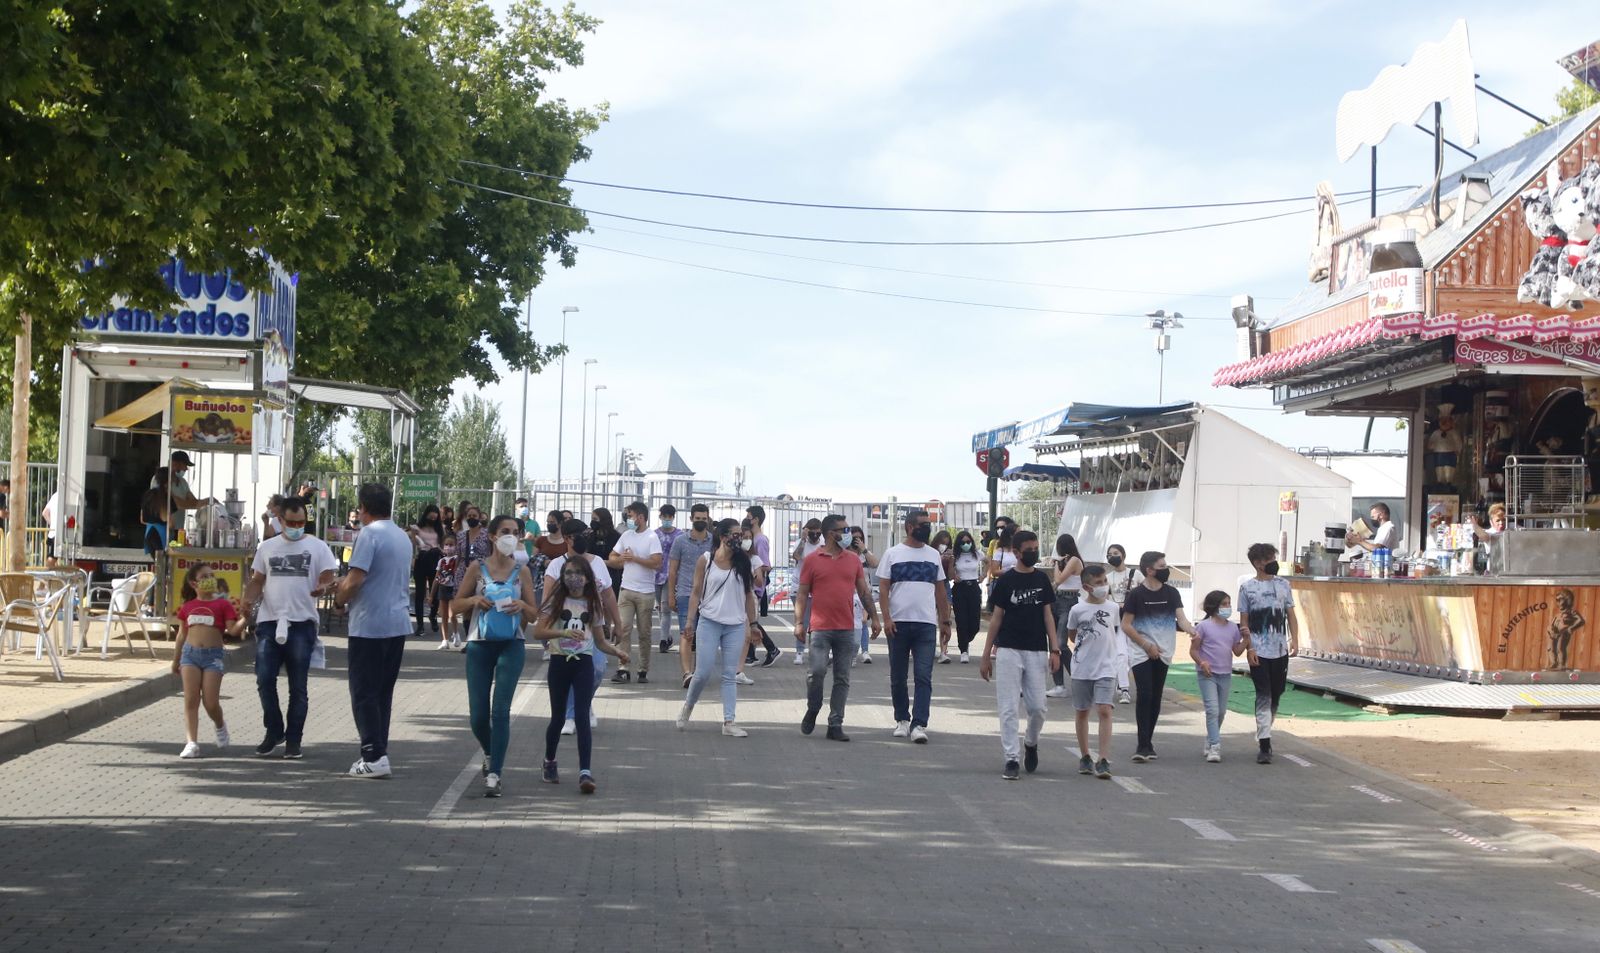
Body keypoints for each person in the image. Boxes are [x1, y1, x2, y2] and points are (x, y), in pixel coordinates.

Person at [241, 496, 336, 759]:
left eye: (301, 522)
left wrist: (324, 586)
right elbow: (257, 579)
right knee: (264, 678)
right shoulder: (268, 548)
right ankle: (274, 730)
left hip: (302, 623)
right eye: (291, 522)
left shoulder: (317, 547)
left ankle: (294, 739)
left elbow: (329, 575)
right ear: (279, 520)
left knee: (298, 686)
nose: (296, 526)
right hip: (270, 622)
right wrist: (247, 600)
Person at [452, 515, 540, 798]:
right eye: (505, 532)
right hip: (479, 644)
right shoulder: (477, 569)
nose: (510, 537)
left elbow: (535, 614)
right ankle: (490, 751)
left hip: (511, 646)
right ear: (491, 536)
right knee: (478, 716)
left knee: (500, 711)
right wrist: (474, 600)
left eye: (515, 533)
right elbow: (455, 605)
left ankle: (495, 773)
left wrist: (522, 604)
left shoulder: (522, 570)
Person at [334, 484, 414, 779]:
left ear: (364, 507)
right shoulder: (402, 536)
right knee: (382, 692)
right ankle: (379, 748)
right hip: (396, 622)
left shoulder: (369, 534)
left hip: (370, 624)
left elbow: (356, 579)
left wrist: (340, 600)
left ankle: (373, 754)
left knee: (364, 692)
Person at [534, 553, 629, 793]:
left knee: (582, 716)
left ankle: (585, 772)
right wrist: (562, 634)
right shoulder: (554, 602)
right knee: (557, 718)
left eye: (578, 574)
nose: (573, 578)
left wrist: (617, 652)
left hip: (583, 663)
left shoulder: (593, 604)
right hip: (559, 662)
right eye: (568, 574)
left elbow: (599, 641)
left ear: (587, 578)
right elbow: (539, 633)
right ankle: (549, 760)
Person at [978, 530, 1059, 780]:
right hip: (1009, 649)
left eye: (1036, 547)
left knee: (1038, 708)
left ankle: (1031, 743)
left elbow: (1048, 615)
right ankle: (1011, 758)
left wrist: (1055, 648)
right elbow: (996, 619)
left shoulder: (1042, 580)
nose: (1033, 552)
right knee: (1009, 707)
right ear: (1016, 552)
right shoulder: (1005, 582)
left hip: (1036, 650)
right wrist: (985, 654)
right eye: (1029, 549)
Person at [794, 515, 880, 742]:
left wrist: (875, 618)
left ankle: (835, 723)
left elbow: (863, 591)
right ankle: (813, 709)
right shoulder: (813, 560)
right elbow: (802, 594)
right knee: (817, 673)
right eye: (844, 530)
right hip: (820, 628)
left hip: (846, 628)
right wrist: (798, 623)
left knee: (842, 677)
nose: (848, 533)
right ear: (831, 533)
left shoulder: (852, 560)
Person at [678, 518, 763, 736]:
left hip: (734, 624)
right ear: (723, 537)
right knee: (703, 672)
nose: (740, 538)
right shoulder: (706, 560)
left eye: (741, 534)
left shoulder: (744, 562)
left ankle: (729, 722)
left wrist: (753, 624)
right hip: (709, 622)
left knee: (728, 675)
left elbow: (748, 595)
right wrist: (690, 621)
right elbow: (696, 592)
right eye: (735, 534)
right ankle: (688, 706)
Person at [877, 509, 952, 744]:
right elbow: (883, 589)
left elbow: (941, 591)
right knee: (898, 676)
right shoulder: (892, 554)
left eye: (928, 524)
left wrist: (945, 622)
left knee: (923, 676)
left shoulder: (933, 556)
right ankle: (902, 719)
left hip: (926, 625)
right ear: (910, 527)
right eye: (923, 524)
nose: (927, 528)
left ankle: (919, 723)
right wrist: (886, 618)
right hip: (898, 624)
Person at [545, 518, 623, 736]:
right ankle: (571, 716)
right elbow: (547, 601)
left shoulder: (597, 562)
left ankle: (584, 704)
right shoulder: (556, 565)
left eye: (585, 535)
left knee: (597, 670)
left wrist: (617, 622)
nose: (583, 540)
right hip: (565, 630)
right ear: (568, 539)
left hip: (593, 627)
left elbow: (608, 593)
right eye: (578, 536)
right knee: (572, 671)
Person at [1120, 551, 1198, 763]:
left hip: (1164, 652)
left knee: (1155, 696)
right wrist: (1146, 645)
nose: (1166, 569)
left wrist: (1192, 629)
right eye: (1162, 566)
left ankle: (1149, 742)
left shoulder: (1172, 593)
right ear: (1150, 570)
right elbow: (1125, 625)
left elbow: (1181, 619)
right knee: (1144, 694)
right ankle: (1142, 744)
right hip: (1141, 651)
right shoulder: (1136, 595)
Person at [172, 564, 246, 758]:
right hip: (190, 655)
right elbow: (181, 635)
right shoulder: (187, 607)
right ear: (193, 582)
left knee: (210, 702)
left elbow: (232, 631)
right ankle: (191, 743)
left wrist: (245, 619)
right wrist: (176, 659)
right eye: (205, 576)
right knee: (191, 699)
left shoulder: (223, 604)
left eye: (212, 575)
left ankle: (220, 725)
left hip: (213, 656)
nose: (210, 579)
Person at [1237, 543, 1298, 765]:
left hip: (1280, 648)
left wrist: (1295, 639)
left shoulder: (1284, 585)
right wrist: (1250, 647)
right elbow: (1244, 621)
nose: (1273, 562)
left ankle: (1264, 728)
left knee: (1277, 692)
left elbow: (1290, 614)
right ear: (1257, 563)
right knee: (1263, 693)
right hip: (1258, 650)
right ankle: (1265, 742)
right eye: (1268, 559)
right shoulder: (1246, 588)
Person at [1067, 565, 1119, 780]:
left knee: (1105, 709)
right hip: (1082, 667)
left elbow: (1113, 631)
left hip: (1106, 667)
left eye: (1104, 581)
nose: (1103, 586)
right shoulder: (1077, 610)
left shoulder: (1113, 608)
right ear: (1086, 587)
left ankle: (1104, 758)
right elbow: (1072, 636)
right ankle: (1085, 755)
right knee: (1082, 711)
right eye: (1098, 583)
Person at [608, 500, 663, 684]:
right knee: (623, 629)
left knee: (644, 633)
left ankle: (643, 669)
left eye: (630, 515)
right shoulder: (626, 536)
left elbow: (657, 562)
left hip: (646, 593)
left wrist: (636, 558)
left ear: (641, 517)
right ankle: (623, 668)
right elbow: (612, 557)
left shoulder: (651, 537)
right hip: (626, 589)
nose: (628, 519)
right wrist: (621, 558)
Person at [1191, 589, 1244, 763]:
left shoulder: (1232, 628)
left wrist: (1247, 640)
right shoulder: (1203, 626)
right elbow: (1194, 650)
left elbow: (1236, 651)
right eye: (1224, 604)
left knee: (1221, 712)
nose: (1228, 607)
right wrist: (1202, 662)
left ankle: (1210, 738)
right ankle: (1215, 745)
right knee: (1212, 710)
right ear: (1214, 606)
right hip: (1207, 674)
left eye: (1229, 604)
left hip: (1225, 674)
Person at [668, 504, 715, 687]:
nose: (701, 522)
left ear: (708, 519)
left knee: (704, 637)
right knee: (686, 633)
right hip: (686, 593)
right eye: (698, 519)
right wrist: (671, 595)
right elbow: (672, 571)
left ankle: (699, 673)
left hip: (708, 595)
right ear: (691, 519)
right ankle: (687, 673)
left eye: (704, 519)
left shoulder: (714, 541)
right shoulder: (680, 541)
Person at [445, 503, 492, 648]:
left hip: (481, 571)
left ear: (479, 517)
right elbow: (458, 555)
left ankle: (481, 634)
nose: (472, 518)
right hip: (463, 571)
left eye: (474, 516)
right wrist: (455, 571)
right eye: (469, 516)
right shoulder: (460, 535)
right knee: (465, 606)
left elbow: (490, 553)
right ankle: (469, 639)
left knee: (479, 604)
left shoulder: (486, 534)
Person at [1046, 533, 1084, 697]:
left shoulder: (1074, 560)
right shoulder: (1066, 561)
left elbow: (1060, 579)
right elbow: (1056, 584)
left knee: (1061, 643)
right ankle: (1059, 685)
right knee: (1053, 644)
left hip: (1069, 600)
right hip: (1058, 599)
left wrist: (1056, 565)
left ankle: (1078, 677)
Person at [1105, 544, 1139, 705]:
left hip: (1136, 621)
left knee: (1132, 656)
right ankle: (1124, 689)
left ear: (1123, 555)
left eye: (1116, 553)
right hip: (1117, 621)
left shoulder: (1136, 574)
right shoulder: (1108, 577)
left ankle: (1121, 683)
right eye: (1109, 554)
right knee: (1121, 655)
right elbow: (1105, 598)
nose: (1112, 556)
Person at [407, 504, 447, 636]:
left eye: (435, 516)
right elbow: (413, 544)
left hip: (435, 559)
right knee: (420, 593)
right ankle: (420, 625)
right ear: (426, 514)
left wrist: (439, 550)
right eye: (431, 515)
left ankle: (433, 615)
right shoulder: (417, 528)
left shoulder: (440, 530)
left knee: (435, 592)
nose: (433, 518)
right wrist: (414, 537)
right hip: (421, 559)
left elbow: (443, 547)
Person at [790, 517, 825, 664]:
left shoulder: (824, 544)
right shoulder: (801, 542)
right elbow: (797, 556)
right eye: (812, 533)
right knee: (803, 621)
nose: (815, 536)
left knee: (817, 623)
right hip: (800, 587)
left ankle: (815, 651)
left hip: (818, 587)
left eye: (818, 533)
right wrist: (804, 539)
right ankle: (799, 651)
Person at [949, 530, 984, 663]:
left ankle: (966, 638)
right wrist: (954, 574)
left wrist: (984, 575)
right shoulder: (956, 555)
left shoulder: (976, 554)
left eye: (968, 542)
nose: (966, 544)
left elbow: (989, 561)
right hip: (960, 588)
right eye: (963, 542)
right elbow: (950, 573)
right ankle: (963, 649)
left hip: (973, 587)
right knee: (961, 620)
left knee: (974, 622)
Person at [654, 504, 684, 654]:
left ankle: (663, 640)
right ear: (660, 517)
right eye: (664, 516)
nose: (667, 519)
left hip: (671, 574)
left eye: (669, 516)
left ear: (673, 517)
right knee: (660, 608)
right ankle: (667, 635)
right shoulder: (654, 534)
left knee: (666, 608)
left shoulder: (679, 535)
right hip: (655, 574)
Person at [848, 525, 879, 664]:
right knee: (851, 624)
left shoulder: (864, 554)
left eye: (860, 538)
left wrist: (864, 549)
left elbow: (875, 563)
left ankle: (864, 651)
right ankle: (851, 653)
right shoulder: (845, 553)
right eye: (854, 538)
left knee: (863, 622)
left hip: (864, 594)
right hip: (849, 594)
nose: (857, 540)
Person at [931, 529, 957, 662]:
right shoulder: (930, 553)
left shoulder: (950, 556)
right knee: (929, 617)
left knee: (944, 617)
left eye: (947, 544)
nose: (944, 546)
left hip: (945, 584)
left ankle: (943, 652)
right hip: (930, 586)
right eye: (942, 543)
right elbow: (930, 569)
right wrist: (939, 559)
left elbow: (952, 576)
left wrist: (951, 562)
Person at [431, 537, 461, 650]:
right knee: (443, 615)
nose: (448, 547)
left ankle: (456, 633)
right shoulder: (441, 561)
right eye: (446, 544)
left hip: (453, 588)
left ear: (456, 545)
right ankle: (445, 640)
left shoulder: (457, 558)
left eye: (451, 544)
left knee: (452, 613)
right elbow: (436, 578)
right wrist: (431, 594)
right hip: (443, 588)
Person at [746, 504, 772, 616]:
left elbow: (764, 565)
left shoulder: (760, 540)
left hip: (756, 588)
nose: (746, 519)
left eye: (748, 517)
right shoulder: (753, 538)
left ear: (755, 519)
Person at [589, 507, 623, 591]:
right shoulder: (590, 536)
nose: (593, 522)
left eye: (595, 519)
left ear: (603, 520)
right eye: (592, 519)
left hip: (611, 576)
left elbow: (619, 562)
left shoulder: (616, 537)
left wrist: (601, 562)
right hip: (592, 575)